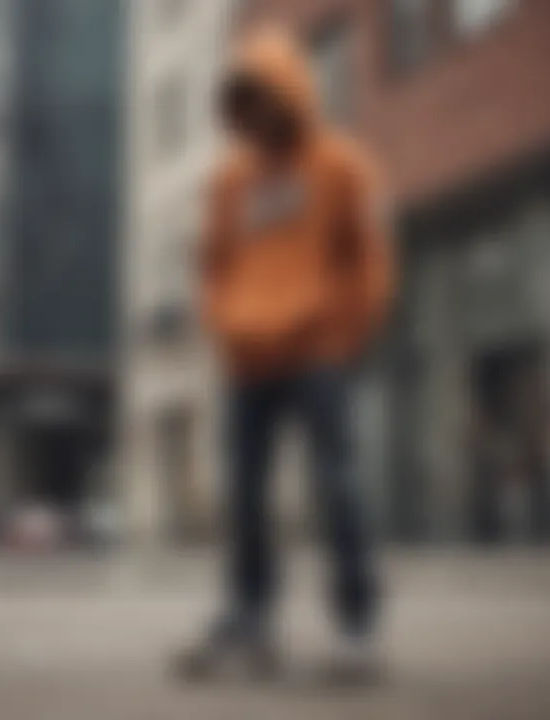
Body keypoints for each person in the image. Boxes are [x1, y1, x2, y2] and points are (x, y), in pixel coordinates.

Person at [176, 26, 394, 680]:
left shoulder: (342, 164)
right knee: (243, 494)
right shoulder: (229, 182)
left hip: (319, 351)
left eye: (264, 93)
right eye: (244, 97)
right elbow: (212, 265)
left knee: (338, 484)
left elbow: (371, 258)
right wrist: (223, 325)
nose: (257, 109)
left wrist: (346, 333)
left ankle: (357, 624)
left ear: (291, 91)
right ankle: (249, 618)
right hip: (248, 359)